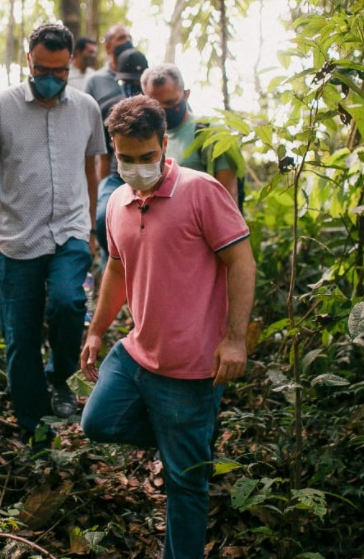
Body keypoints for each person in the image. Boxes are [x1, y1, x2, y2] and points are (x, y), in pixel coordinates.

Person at [80, 95, 255, 559]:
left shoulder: (201, 191)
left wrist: (235, 339)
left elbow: (241, 261)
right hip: (138, 353)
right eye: (126, 158)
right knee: (97, 421)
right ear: (113, 150)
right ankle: (186, 438)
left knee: (185, 486)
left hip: (190, 368)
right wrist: (97, 329)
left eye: (147, 157)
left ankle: (188, 446)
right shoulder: (117, 201)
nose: (137, 168)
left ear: (164, 144)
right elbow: (116, 268)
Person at [0, 22, 105, 447]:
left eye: (60, 70)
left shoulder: (86, 108)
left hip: (70, 231)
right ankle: (35, 427)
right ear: (28, 60)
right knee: (20, 336)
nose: (51, 77)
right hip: (18, 238)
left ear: (70, 63)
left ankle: (60, 377)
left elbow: (91, 169)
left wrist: (92, 226)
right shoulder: (1, 107)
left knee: (69, 302)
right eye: (42, 68)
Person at [140, 63, 242, 206]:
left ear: (186, 95)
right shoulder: (145, 138)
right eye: (155, 104)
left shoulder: (212, 132)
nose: (163, 110)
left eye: (170, 102)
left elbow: (229, 199)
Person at [92, 47, 147, 265]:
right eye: (127, 83)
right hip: (117, 176)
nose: (132, 88)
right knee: (103, 218)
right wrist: (104, 185)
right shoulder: (109, 109)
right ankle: (112, 264)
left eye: (137, 83)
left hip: (149, 173)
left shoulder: (155, 108)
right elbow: (104, 156)